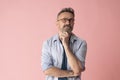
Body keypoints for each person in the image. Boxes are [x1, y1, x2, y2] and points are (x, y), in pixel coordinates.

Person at [41, 7, 87, 80]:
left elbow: (77, 69)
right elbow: (47, 69)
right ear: (57, 23)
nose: (68, 23)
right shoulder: (48, 43)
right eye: (64, 20)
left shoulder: (81, 43)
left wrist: (66, 46)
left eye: (71, 20)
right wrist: (71, 73)